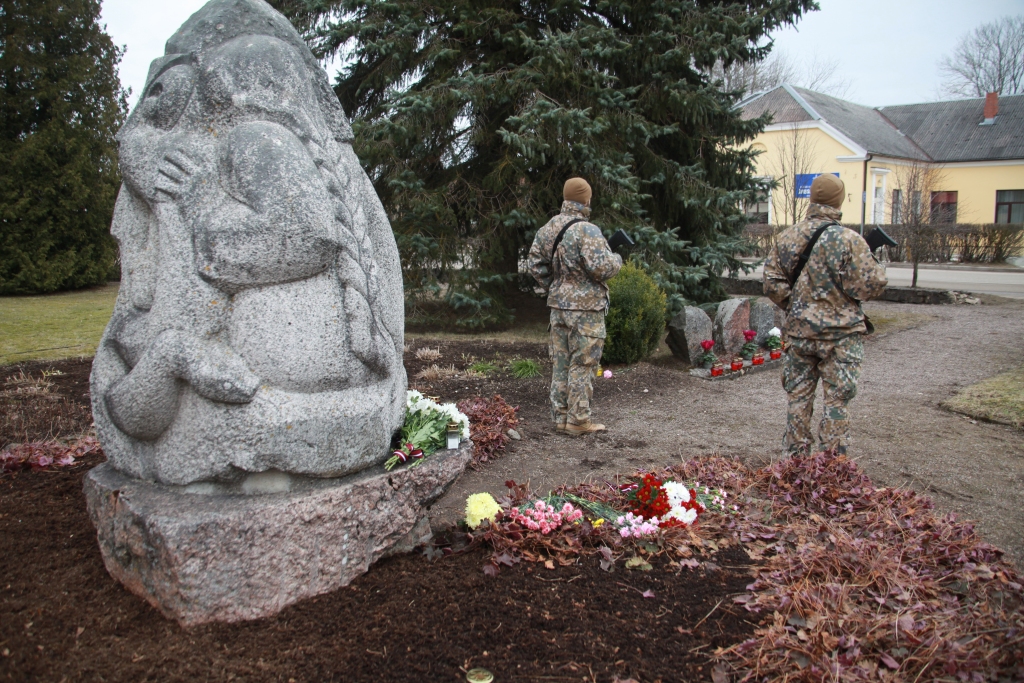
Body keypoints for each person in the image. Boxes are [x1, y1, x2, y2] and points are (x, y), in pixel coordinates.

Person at [763, 174, 888, 456]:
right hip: (841, 337)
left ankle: (794, 462)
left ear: (813, 199)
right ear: (839, 200)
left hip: (799, 334)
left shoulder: (787, 237)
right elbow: (871, 286)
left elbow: (771, 283)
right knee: (837, 402)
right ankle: (831, 470)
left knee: (798, 398)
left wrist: (798, 304)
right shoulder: (850, 240)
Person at [528, 178, 622, 436]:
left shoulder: (548, 228)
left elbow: (535, 264)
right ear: (586, 200)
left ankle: (560, 417)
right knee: (583, 362)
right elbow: (602, 268)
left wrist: (557, 286)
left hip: (558, 307)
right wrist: (617, 259)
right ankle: (578, 420)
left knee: (561, 362)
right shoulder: (587, 230)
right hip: (586, 310)